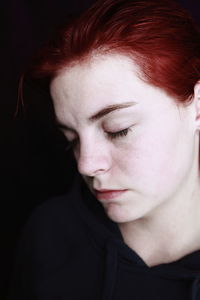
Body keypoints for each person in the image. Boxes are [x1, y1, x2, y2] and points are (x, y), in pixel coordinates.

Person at [9, 0, 200, 299]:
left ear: (197, 107)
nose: (85, 164)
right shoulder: (48, 233)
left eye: (118, 129)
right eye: (71, 138)